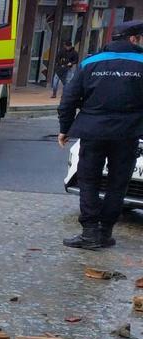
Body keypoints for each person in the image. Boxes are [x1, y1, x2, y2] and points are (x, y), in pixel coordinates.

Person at [57, 20, 143, 249]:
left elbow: (69, 100)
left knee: (89, 181)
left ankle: (89, 233)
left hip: (93, 132)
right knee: (118, 183)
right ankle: (105, 233)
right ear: (133, 39)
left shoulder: (90, 62)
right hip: (128, 133)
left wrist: (65, 128)